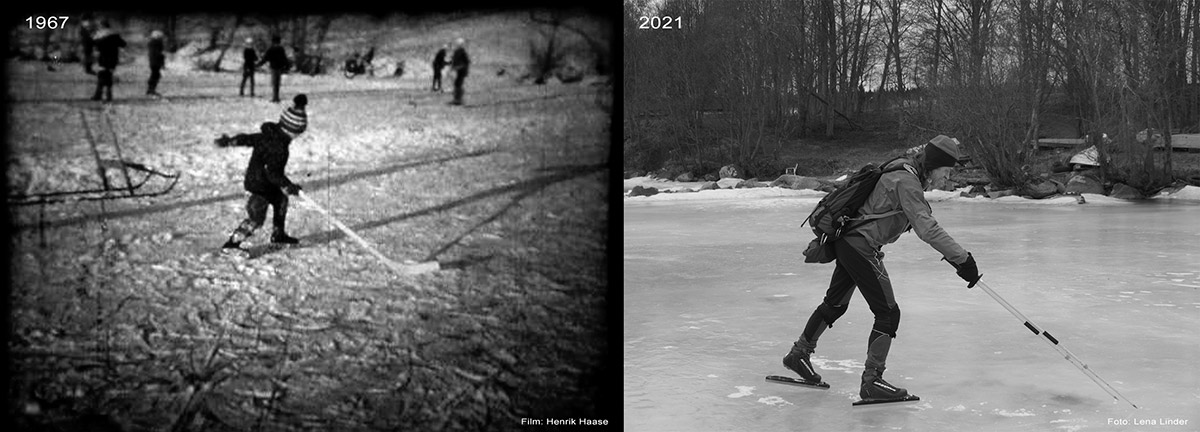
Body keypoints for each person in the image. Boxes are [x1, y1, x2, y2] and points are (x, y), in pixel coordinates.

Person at [782, 135, 981, 403]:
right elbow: (927, 228)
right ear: (934, 165)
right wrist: (963, 259)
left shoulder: (904, 169)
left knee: (836, 304)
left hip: (849, 242)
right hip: (859, 246)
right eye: (946, 171)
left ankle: (798, 355)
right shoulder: (907, 181)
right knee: (887, 313)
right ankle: (872, 381)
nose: (946, 179)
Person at [217, 94, 310, 251]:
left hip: (262, 180)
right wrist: (289, 185)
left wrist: (231, 141)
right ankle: (232, 244)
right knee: (256, 218)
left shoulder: (267, 135)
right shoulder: (280, 149)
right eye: (298, 132)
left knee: (281, 199)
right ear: (292, 130)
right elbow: (273, 173)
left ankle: (278, 234)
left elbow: (247, 138)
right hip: (259, 186)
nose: (297, 136)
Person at [91, 21, 126, 102]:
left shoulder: (100, 35)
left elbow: (95, 44)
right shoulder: (115, 36)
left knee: (102, 76)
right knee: (108, 76)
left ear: (102, 27)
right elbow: (123, 44)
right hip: (113, 60)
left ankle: (103, 95)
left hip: (103, 59)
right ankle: (104, 95)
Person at [257, 35, 290, 103]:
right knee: (277, 83)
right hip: (279, 68)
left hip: (274, 68)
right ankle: (277, 97)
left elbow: (265, 58)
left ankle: (275, 97)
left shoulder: (271, 49)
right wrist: (287, 66)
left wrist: (258, 64)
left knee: (274, 83)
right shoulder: (281, 49)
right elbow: (284, 58)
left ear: (273, 41)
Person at [449, 38, 470, 105]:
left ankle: (459, 100)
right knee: (456, 84)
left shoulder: (462, 52)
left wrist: (460, 67)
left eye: (458, 44)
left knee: (458, 84)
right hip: (457, 70)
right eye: (457, 44)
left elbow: (467, 62)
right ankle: (456, 99)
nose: (457, 45)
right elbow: (454, 60)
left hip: (462, 71)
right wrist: (452, 66)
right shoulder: (457, 51)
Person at [146, 30, 165, 97]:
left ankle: (150, 90)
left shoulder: (152, 42)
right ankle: (151, 90)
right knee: (155, 75)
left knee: (155, 75)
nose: (162, 37)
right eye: (160, 36)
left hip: (154, 61)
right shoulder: (156, 43)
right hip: (155, 61)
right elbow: (158, 53)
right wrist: (161, 57)